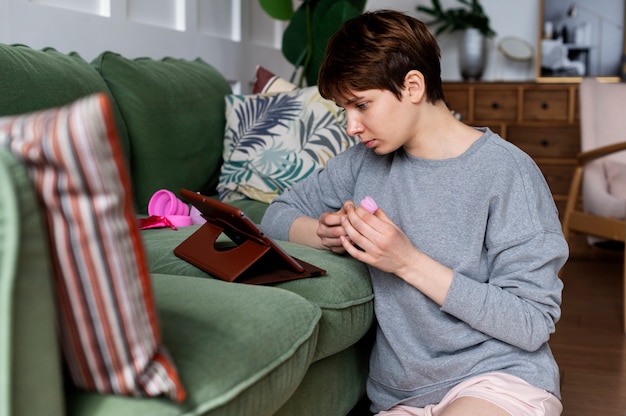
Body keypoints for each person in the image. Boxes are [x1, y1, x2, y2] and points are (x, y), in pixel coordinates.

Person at [260, 10, 568, 416]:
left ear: (412, 86)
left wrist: (407, 261)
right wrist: (325, 232)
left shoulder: (506, 172)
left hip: (495, 377)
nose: (351, 126)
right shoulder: (361, 164)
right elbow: (277, 214)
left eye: (361, 104)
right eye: (344, 109)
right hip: (399, 396)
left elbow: (532, 320)